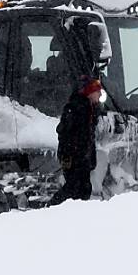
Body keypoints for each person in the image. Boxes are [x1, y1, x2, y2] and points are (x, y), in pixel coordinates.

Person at [48, 78, 104, 206]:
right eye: (97, 91)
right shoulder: (75, 108)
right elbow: (64, 133)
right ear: (90, 92)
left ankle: (76, 213)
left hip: (83, 157)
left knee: (84, 188)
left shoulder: (91, 109)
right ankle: (51, 207)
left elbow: (88, 136)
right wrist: (69, 155)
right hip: (74, 156)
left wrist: (89, 158)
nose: (100, 95)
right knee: (73, 187)